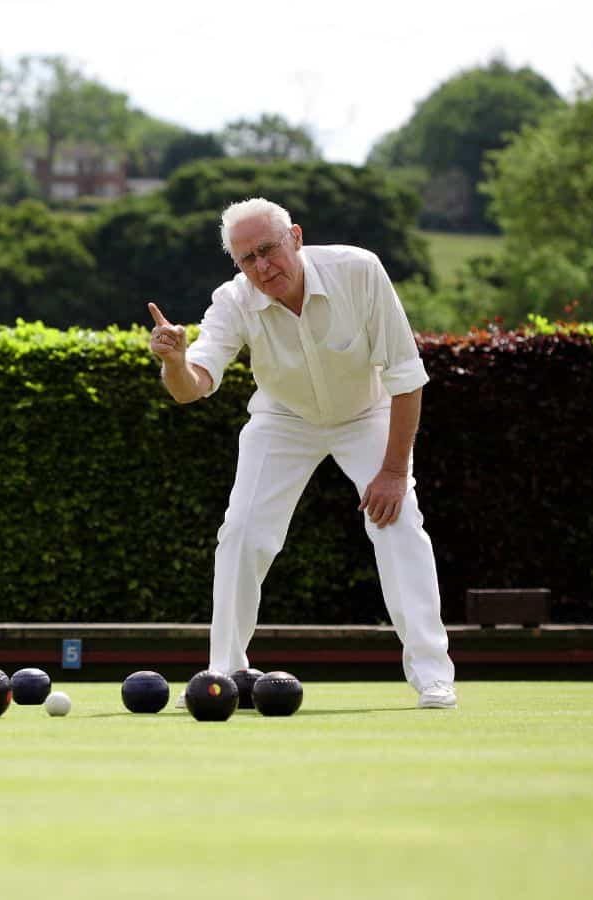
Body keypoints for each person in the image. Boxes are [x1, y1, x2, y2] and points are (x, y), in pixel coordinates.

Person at [147, 197, 457, 709]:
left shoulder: (359, 270)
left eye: (268, 250)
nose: (261, 267)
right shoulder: (232, 300)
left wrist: (393, 472)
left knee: (398, 522)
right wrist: (176, 361)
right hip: (283, 419)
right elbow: (191, 386)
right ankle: (222, 675)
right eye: (247, 259)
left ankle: (431, 673)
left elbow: (405, 378)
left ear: (295, 236)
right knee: (242, 531)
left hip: (366, 413)